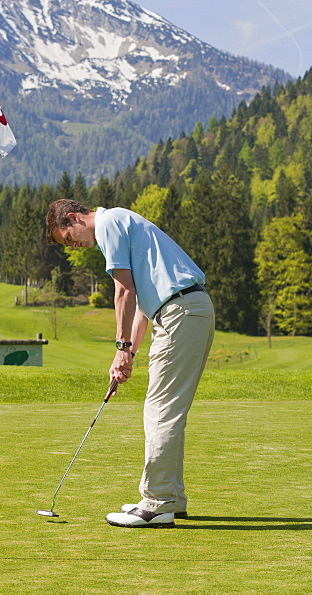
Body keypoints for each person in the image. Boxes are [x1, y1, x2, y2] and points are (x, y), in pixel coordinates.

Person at [45, 198, 215, 528]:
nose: (74, 247)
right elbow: (140, 302)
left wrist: (121, 348)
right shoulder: (122, 224)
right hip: (185, 310)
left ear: (73, 217)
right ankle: (172, 498)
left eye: (68, 238)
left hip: (180, 312)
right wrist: (129, 355)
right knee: (168, 409)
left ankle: (157, 502)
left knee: (161, 410)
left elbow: (123, 292)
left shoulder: (108, 225)